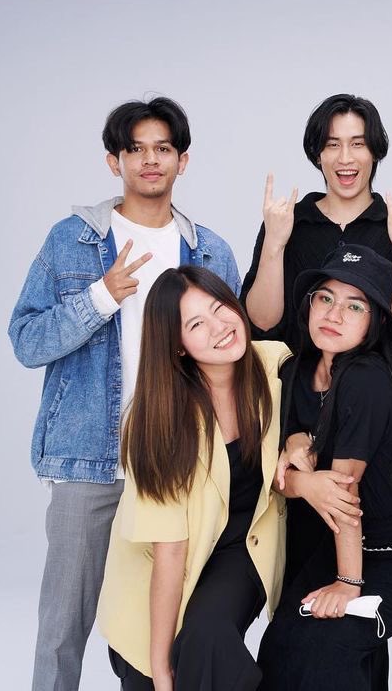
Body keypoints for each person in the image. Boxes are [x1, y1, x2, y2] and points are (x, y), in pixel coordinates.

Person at [8, 96, 241, 691]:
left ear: (183, 160)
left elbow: (231, 353)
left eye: (163, 148)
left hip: (179, 460)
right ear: (115, 161)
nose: (150, 160)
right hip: (92, 458)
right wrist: (100, 297)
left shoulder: (210, 251)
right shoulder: (72, 241)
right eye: (135, 149)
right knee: (63, 625)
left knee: (162, 623)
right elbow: (27, 341)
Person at [257, 245, 392, 690]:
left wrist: (347, 583)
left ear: (375, 322)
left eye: (354, 305)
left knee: (331, 647)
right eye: (325, 298)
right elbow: (279, 473)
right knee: (282, 644)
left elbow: (342, 491)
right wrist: (301, 473)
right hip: (341, 544)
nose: (334, 314)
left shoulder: (366, 378)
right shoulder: (297, 370)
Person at [97, 267, 285, 689]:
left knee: (208, 636)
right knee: (158, 675)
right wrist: (161, 669)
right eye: (196, 324)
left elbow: (319, 402)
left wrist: (297, 444)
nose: (220, 327)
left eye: (220, 308)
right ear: (177, 346)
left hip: (238, 549)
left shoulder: (274, 366)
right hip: (158, 578)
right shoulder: (157, 422)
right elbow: (170, 551)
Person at [241, 93, 392, 357]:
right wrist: (274, 244)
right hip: (297, 380)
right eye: (333, 145)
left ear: (375, 152)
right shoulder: (285, 222)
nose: (345, 158)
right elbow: (260, 327)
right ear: (318, 154)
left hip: (373, 381)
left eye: (358, 144)